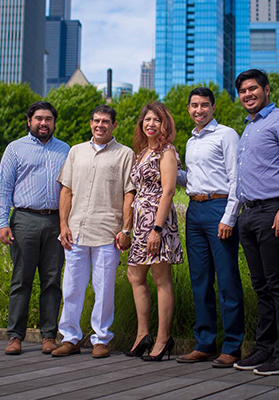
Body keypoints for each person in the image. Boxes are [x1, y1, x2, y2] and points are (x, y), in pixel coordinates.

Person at [51, 105, 135, 358]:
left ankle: (101, 339)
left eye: (106, 121)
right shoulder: (76, 151)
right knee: (72, 287)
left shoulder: (125, 154)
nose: (100, 125)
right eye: (96, 120)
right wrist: (63, 225)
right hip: (76, 231)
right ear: (90, 123)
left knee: (104, 289)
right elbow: (66, 190)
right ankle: (70, 337)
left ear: (114, 125)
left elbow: (129, 193)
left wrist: (126, 230)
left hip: (107, 232)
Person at [234, 69, 279, 376]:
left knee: (278, 284)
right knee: (261, 286)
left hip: (274, 211)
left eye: (252, 89)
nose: (247, 94)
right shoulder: (248, 128)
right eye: (243, 91)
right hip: (249, 215)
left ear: (266, 90)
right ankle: (265, 348)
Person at [176, 87, 244, 368]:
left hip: (219, 209)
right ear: (189, 109)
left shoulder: (226, 134)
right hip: (195, 211)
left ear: (213, 108)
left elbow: (236, 178)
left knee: (227, 280)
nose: (199, 110)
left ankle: (232, 346)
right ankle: (204, 343)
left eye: (204, 105)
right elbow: (191, 179)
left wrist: (229, 217)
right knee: (200, 280)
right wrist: (165, 169)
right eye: (194, 105)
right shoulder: (191, 141)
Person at [0, 101, 70, 355]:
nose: (43, 123)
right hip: (24, 221)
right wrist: (2, 223)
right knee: (21, 279)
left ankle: (49, 336)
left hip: (56, 223)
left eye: (48, 119)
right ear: (29, 121)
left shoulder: (66, 150)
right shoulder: (15, 149)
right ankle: (15, 336)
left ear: (53, 122)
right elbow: (4, 189)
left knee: (52, 280)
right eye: (38, 118)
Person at [123, 101, 183, 362]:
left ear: (164, 124)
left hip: (158, 223)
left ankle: (162, 339)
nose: (150, 124)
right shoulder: (141, 153)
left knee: (161, 279)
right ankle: (142, 334)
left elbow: (168, 190)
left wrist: (157, 229)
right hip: (140, 224)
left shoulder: (166, 151)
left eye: (156, 120)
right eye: (147, 119)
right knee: (134, 275)